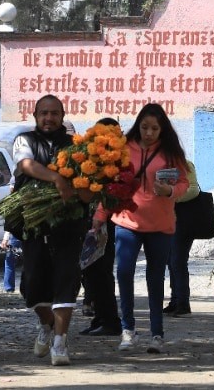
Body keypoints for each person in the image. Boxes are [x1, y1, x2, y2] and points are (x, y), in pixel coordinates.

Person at [92, 103, 189, 354]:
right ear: (138, 125)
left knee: (155, 279)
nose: (148, 133)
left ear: (162, 129)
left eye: (154, 128)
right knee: (124, 272)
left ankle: (156, 334)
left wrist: (170, 191)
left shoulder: (171, 152)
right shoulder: (124, 148)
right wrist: (100, 215)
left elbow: (183, 183)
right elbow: (110, 183)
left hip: (161, 225)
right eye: (145, 127)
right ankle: (128, 330)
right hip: (127, 221)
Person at [13, 95, 91, 366]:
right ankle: (47, 324)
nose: (49, 118)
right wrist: (57, 177)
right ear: (35, 116)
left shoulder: (75, 147)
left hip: (69, 226)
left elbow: (86, 188)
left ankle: (60, 341)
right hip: (34, 225)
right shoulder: (24, 140)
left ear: (62, 115)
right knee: (32, 286)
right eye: (44, 113)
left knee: (66, 282)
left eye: (54, 113)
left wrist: (85, 191)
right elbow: (26, 165)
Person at [79, 117, 124, 337]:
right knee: (91, 272)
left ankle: (111, 321)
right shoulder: (95, 159)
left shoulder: (118, 163)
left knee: (102, 272)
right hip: (90, 221)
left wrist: (100, 214)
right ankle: (100, 318)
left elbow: (112, 193)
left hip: (105, 222)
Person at [163, 160, 200, 317]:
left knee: (177, 261)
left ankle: (183, 303)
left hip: (183, 221)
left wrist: (172, 195)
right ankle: (175, 300)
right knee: (170, 261)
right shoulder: (157, 164)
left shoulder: (184, 164)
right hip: (166, 219)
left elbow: (193, 189)